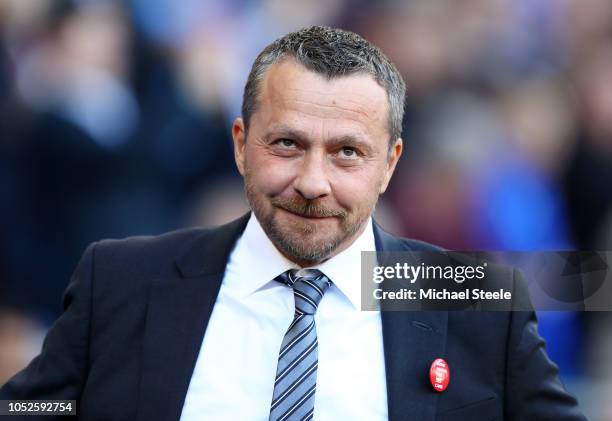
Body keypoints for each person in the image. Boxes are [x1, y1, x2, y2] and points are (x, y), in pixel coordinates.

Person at [0, 26, 585, 421]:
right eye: (286, 143)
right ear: (240, 145)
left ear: (390, 165)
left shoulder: (469, 296)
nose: (313, 180)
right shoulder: (124, 280)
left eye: (347, 153)